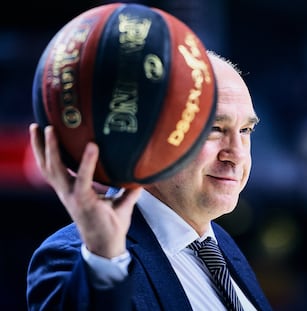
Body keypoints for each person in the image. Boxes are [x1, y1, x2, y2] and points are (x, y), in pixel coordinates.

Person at [26, 51, 273, 311]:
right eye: (214, 129)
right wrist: (105, 254)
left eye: (245, 130)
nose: (236, 154)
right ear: (147, 138)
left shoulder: (222, 245)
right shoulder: (78, 258)